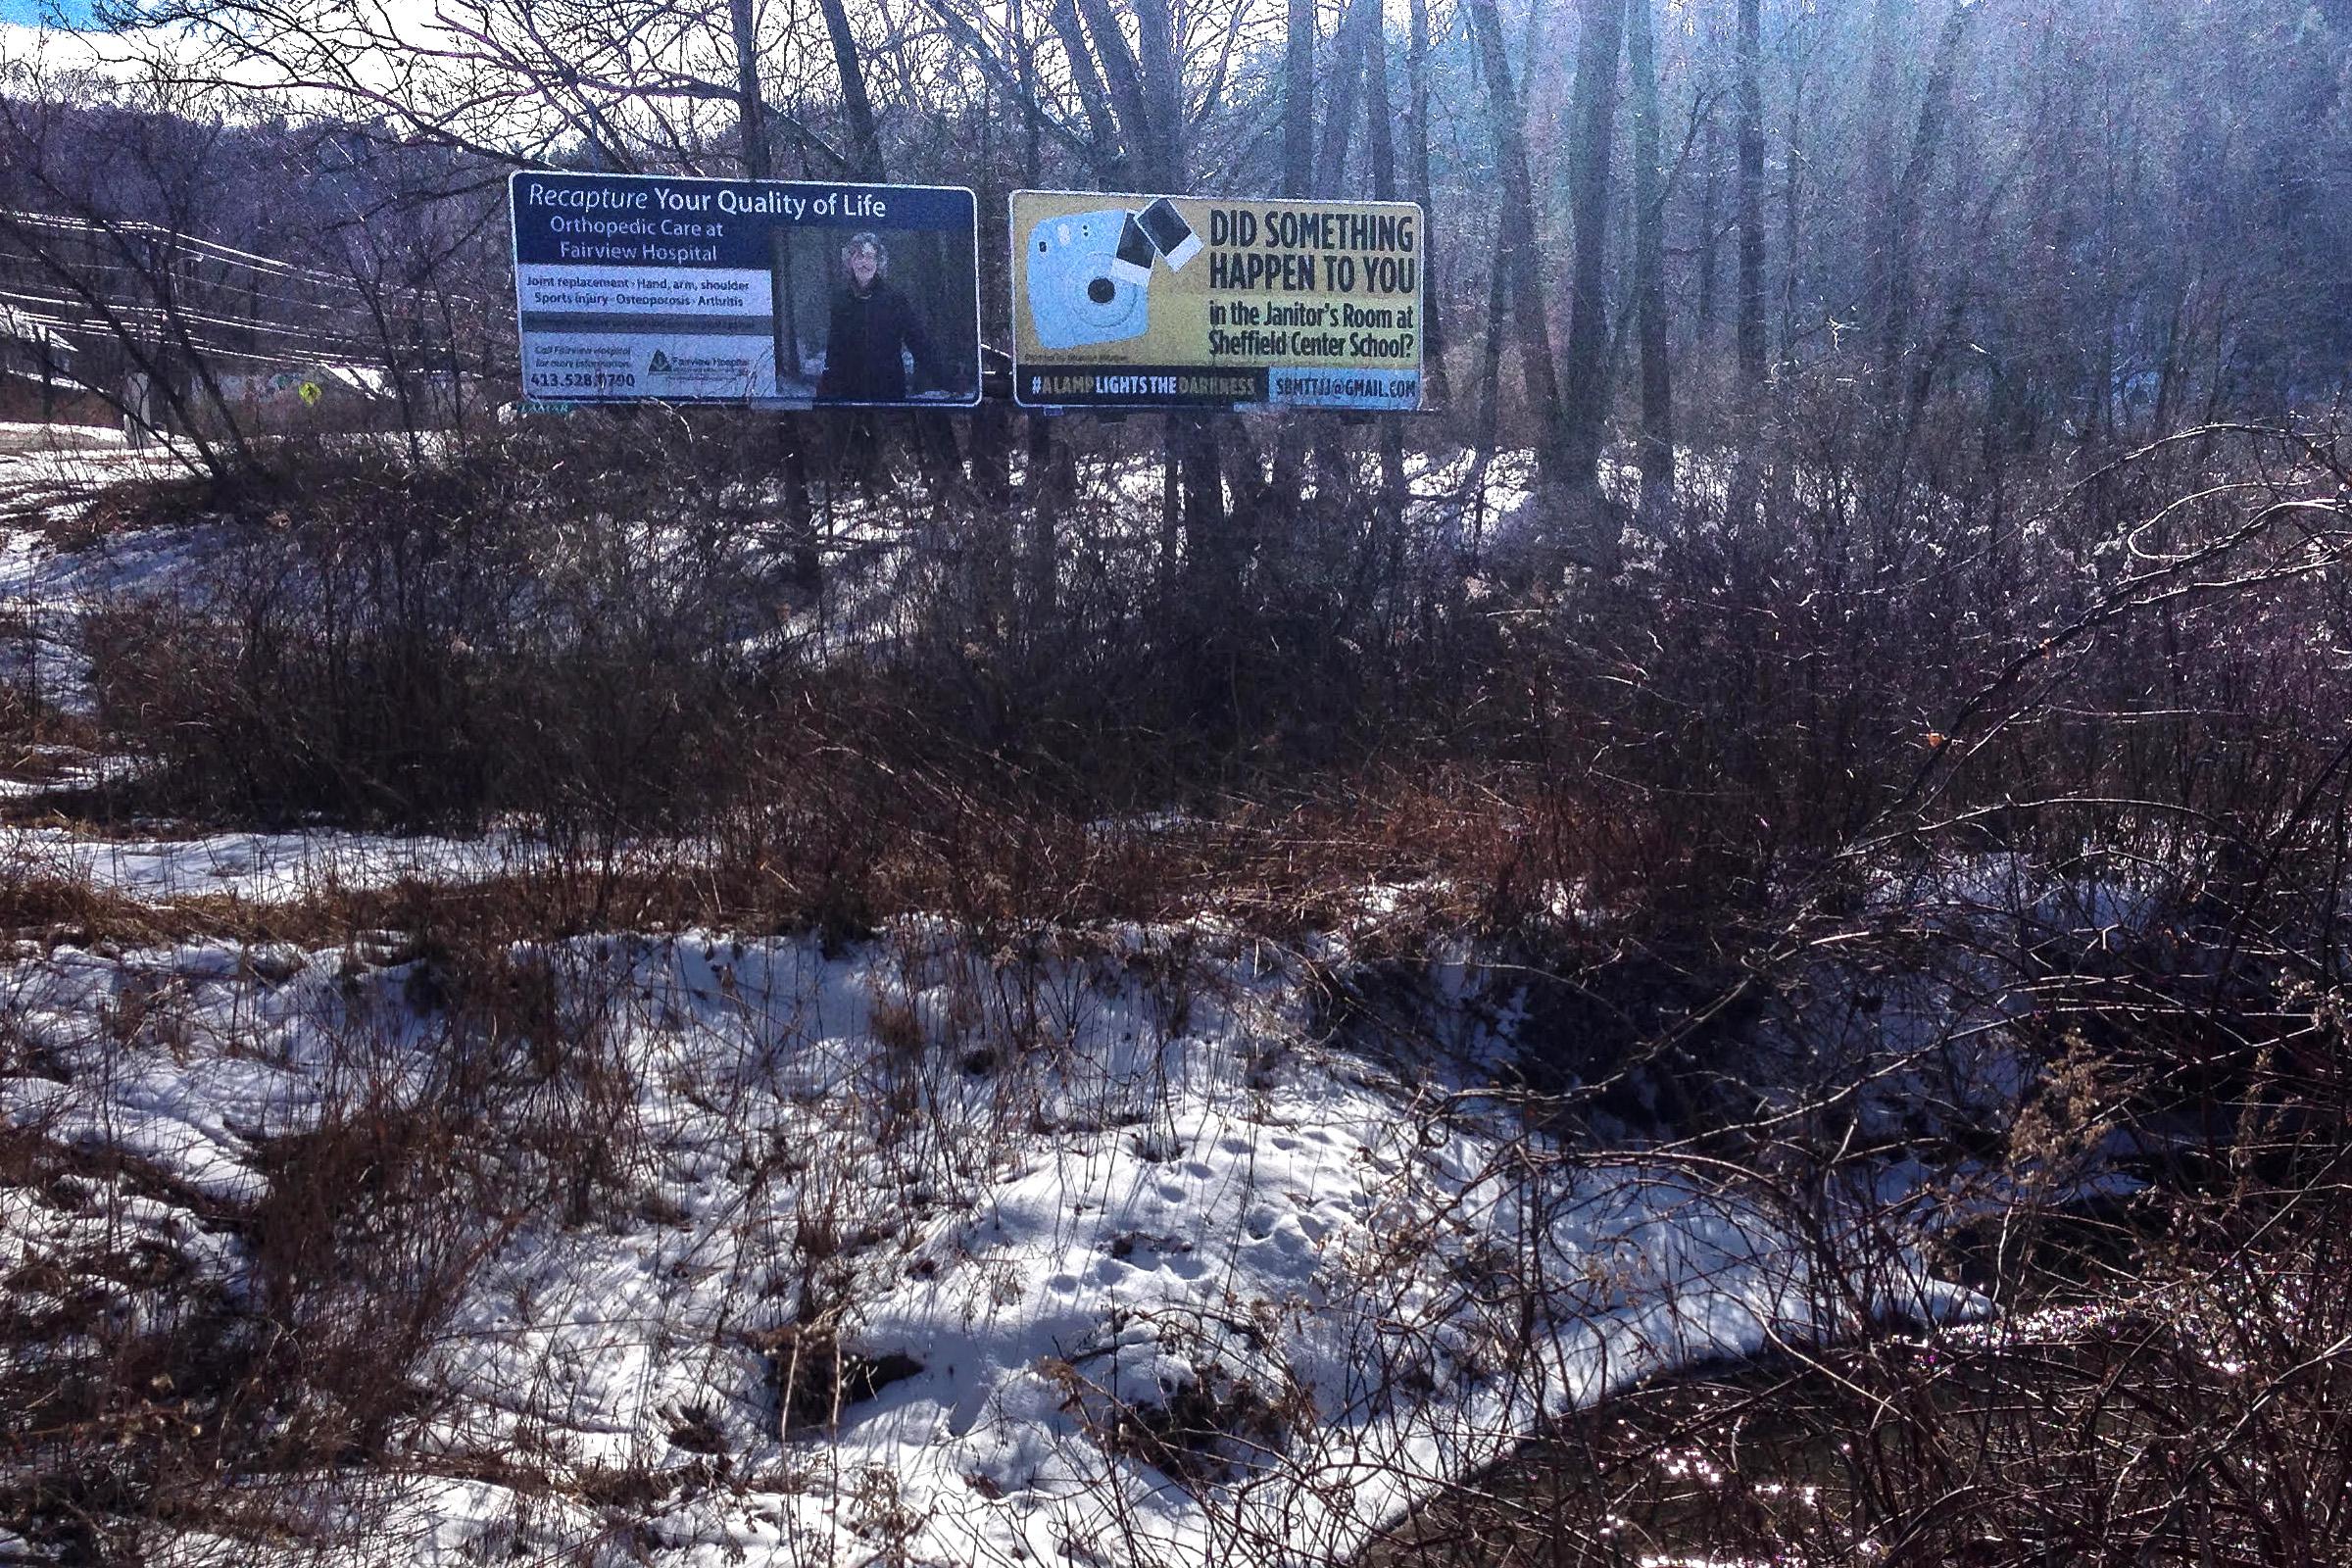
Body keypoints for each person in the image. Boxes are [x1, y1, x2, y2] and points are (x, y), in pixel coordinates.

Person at [815, 233, 945, 402]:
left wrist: (944, 378)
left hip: (889, 396)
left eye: (870, 257)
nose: (864, 263)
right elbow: (834, 352)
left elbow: (919, 343)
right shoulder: (841, 303)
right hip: (849, 397)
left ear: (878, 262)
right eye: (859, 256)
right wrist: (827, 390)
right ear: (850, 261)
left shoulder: (895, 300)